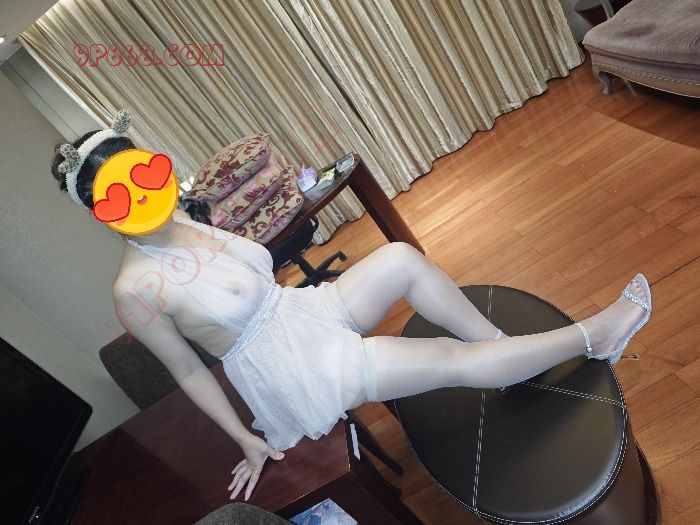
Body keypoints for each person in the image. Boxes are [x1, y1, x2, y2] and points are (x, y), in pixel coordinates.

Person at [51, 111, 652, 502]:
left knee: (400, 258)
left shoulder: (182, 216)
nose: (143, 193)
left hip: (297, 312)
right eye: (119, 195)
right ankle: (593, 337)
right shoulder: (134, 289)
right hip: (288, 368)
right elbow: (187, 371)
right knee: (445, 358)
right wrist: (244, 438)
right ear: (100, 212)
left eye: (142, 173)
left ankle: (499, 348)